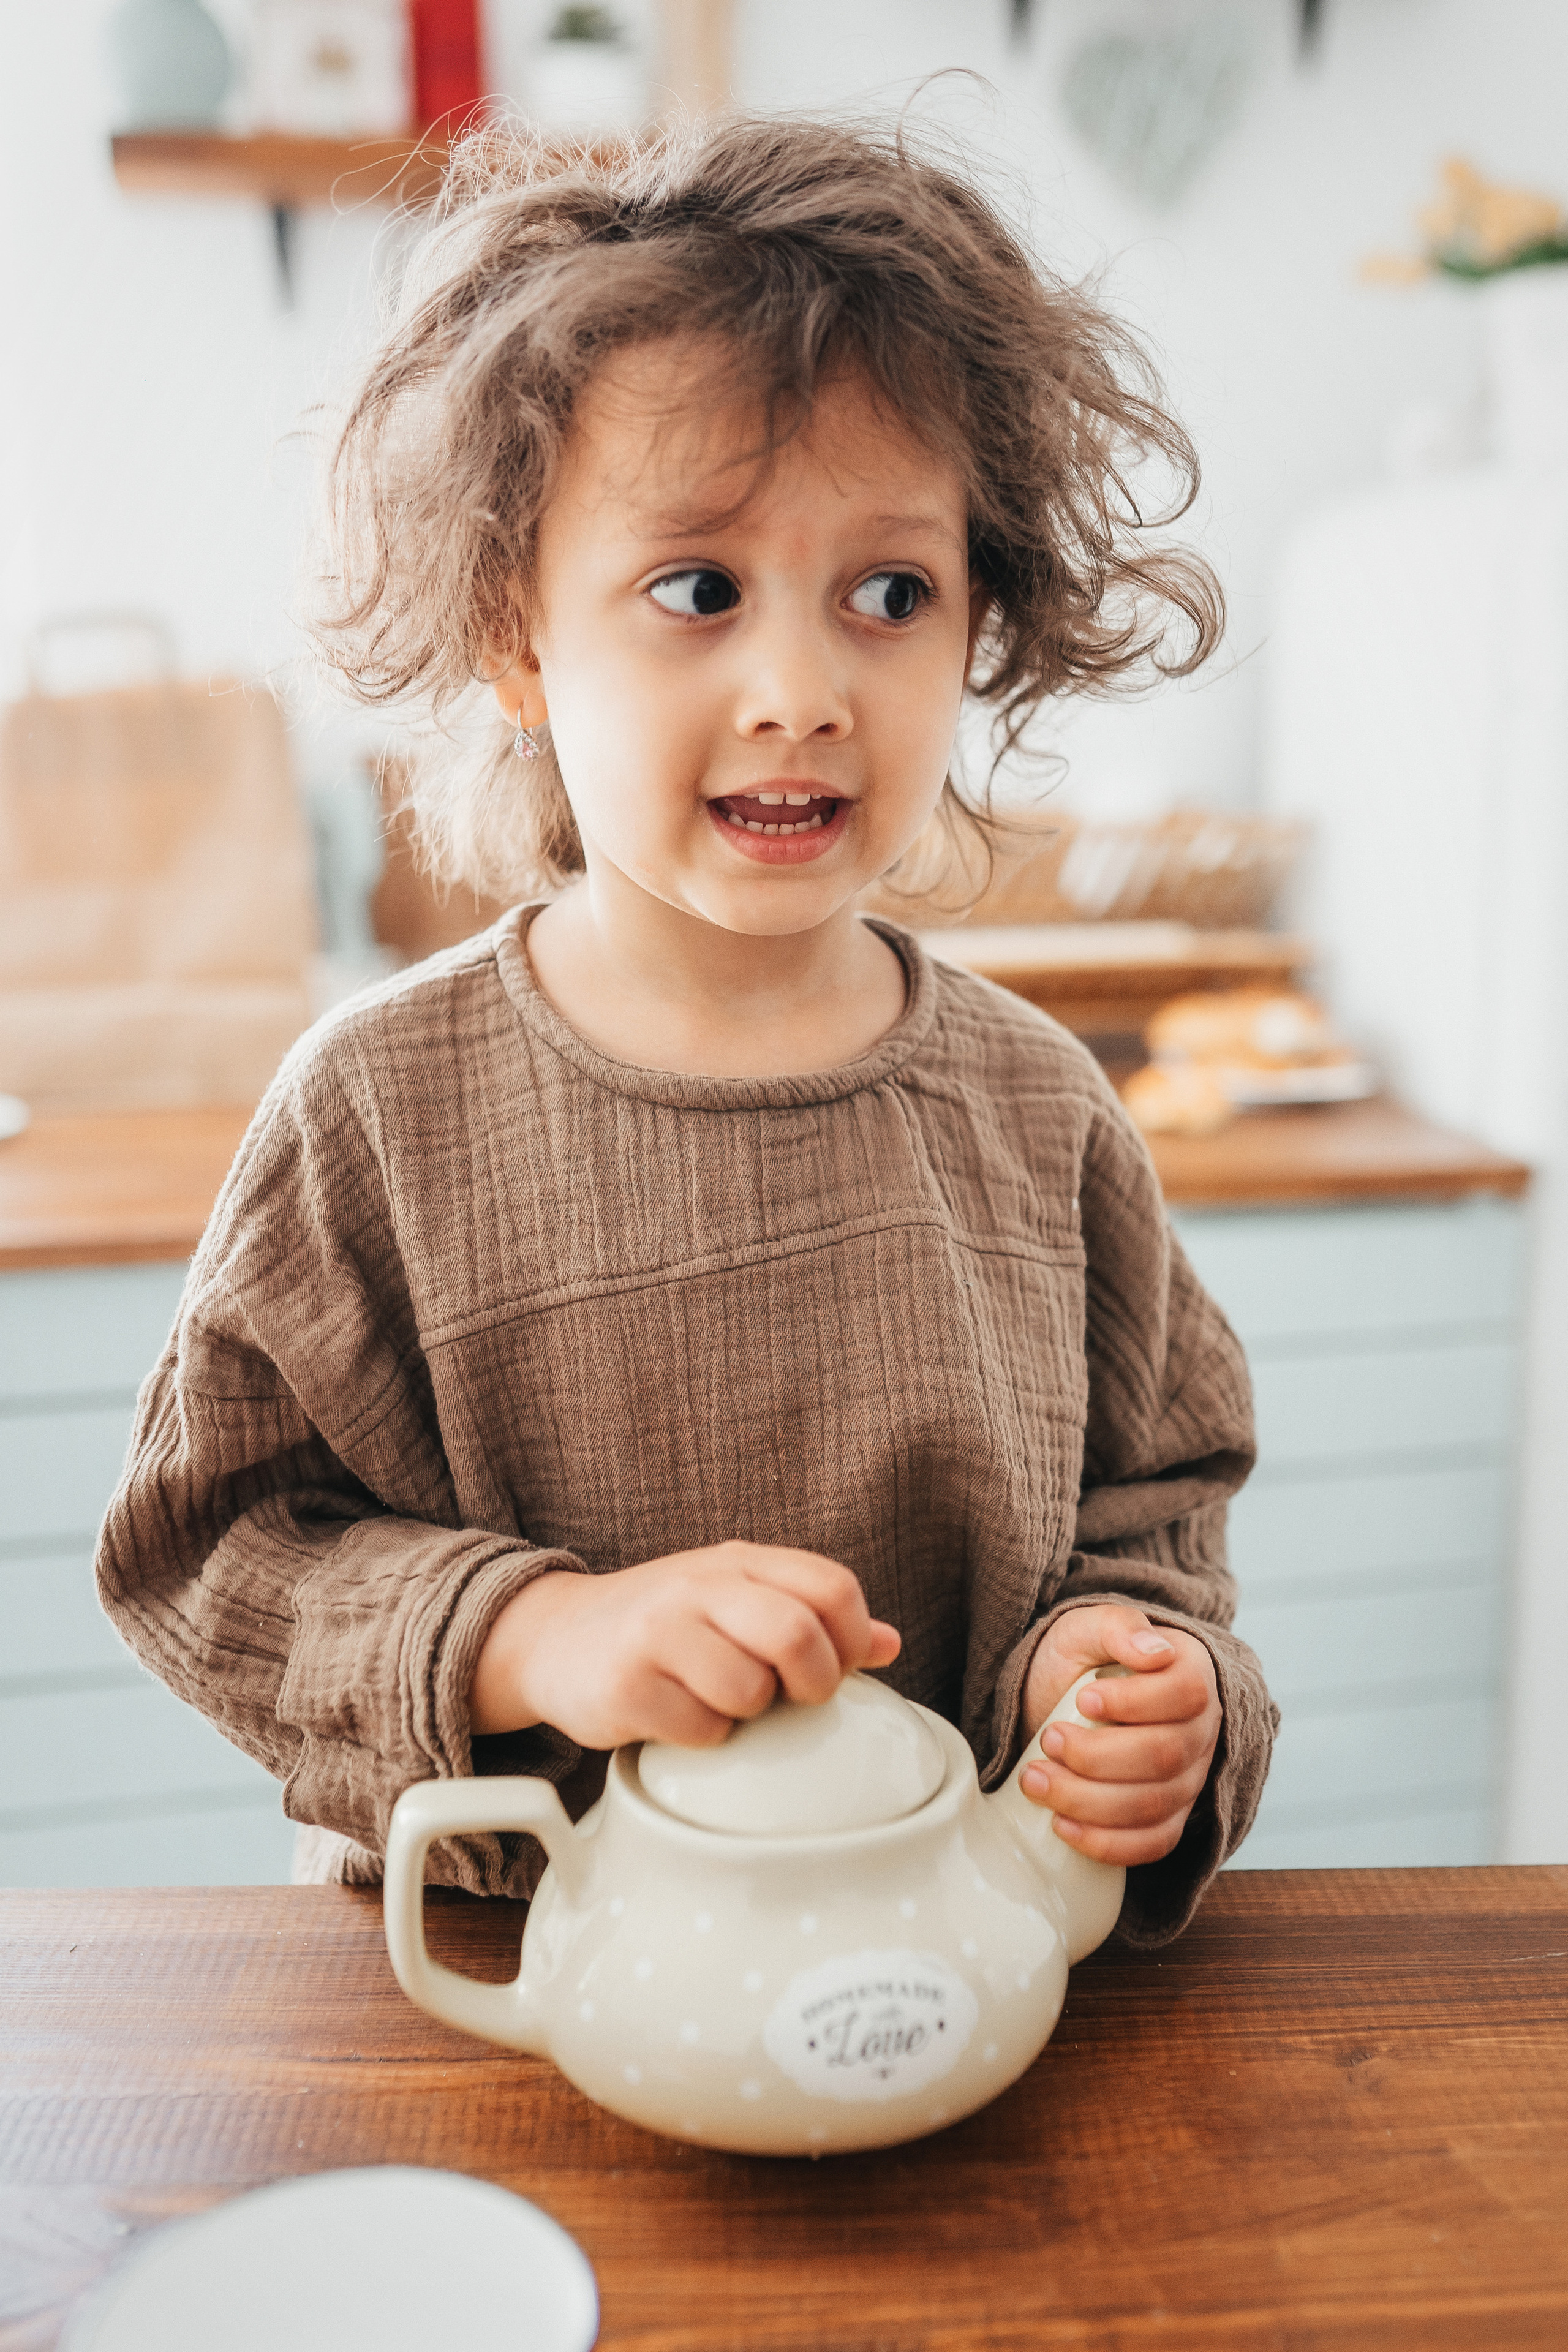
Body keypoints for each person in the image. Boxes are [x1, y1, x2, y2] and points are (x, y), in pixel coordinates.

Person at [97, 113, 1275, 1943]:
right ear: (516, 628)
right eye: (698, 590)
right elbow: (210, 1553)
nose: (800, 691)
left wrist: (1129, 1686)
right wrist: (532, 1635)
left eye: (890, 595)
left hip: (949, 1975)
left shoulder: (1041, 1112)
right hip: (489, 1989)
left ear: (979, 622)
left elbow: (1154, 1525)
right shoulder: (375, 1110)